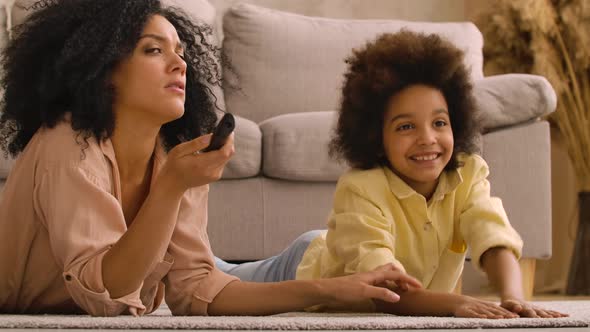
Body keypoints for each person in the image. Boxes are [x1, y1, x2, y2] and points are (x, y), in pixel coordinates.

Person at [0, 0, 422, 316]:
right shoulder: (67, 144)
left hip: (194, 263)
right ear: (102, 69)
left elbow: (196, 289)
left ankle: (304, 253)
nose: (180, 63)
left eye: (181, 51)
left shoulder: (172, 156)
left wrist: (329, 291)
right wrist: (170, 188)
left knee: (307, 251)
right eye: (153, 50)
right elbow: (108, 300)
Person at [218, 31, 567, 319]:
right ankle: (190, 249)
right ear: (376, 137)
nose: (427, 138)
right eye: (406, 126)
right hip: (308, 266)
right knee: (223, 281)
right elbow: (386, 291)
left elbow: (491, 233)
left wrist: (513, 297)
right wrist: (455, 304)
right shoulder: (362, 187)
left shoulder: (469, 174)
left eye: (440, 123)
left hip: (342, 241)